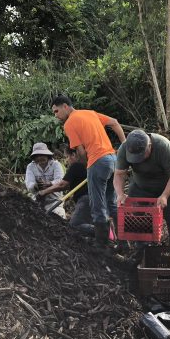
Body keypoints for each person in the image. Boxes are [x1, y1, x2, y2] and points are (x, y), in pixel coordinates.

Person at [52, 95, 126, 246]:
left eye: (56, 111)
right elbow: (114, 122)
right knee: (111, 203)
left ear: (65, 106)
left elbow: (80, 151)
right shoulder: (90, 113)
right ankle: (124, 244)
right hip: (112, 160)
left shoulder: (69, 123)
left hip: (97, 161)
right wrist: (124, 145)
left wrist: (88, 166)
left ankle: (102, 245)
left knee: (97, 205)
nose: (56, 116)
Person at [114, 129, 170, 250]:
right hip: (141, 187)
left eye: (141, 155)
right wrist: (120, 194)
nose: (139, 160)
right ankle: (143, 249)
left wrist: (165, 195)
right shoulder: (125, 148)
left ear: (149, 145)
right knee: (138, 217)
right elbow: (119, 174)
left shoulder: (163, 146)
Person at [38, 146, 94, 236]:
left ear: (73, 154)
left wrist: (44, 192)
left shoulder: (76, 165)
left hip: (86, 200)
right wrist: (50, 186)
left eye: (67, 157)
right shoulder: (91, 165)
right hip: (97, 199)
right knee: (90, 224)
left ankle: (104, 231)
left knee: (74, 226)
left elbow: (63, 185)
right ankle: (105, 234)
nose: (67, 160)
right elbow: (67, 185)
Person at [25, 142, 66, 218]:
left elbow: (60, 181)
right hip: (37, 201)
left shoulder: (55, 165)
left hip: (55, 201)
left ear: (47, 156)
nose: (40, 160)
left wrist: (50, 183)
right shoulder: (30, 167)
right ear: (34, 158)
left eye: (42, 157)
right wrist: (36, 186)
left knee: (60, 214)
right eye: (37, 158)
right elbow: (29, 184)